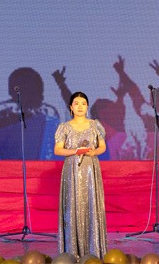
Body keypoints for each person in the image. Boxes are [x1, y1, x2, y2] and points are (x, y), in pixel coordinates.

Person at [55, 91, 107, 258]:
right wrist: (75, 151)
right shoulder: (65, 127)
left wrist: (94, 152)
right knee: (73, 206)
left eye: (83, 103)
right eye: (76, 103)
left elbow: (102, 147)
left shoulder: (95, 125)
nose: (80, 106)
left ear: (87, 107)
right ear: (71, 107)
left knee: (91, 205)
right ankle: (72, 252)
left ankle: (93, 252)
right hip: (72, 170)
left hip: (90, 169)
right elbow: (58, 150)